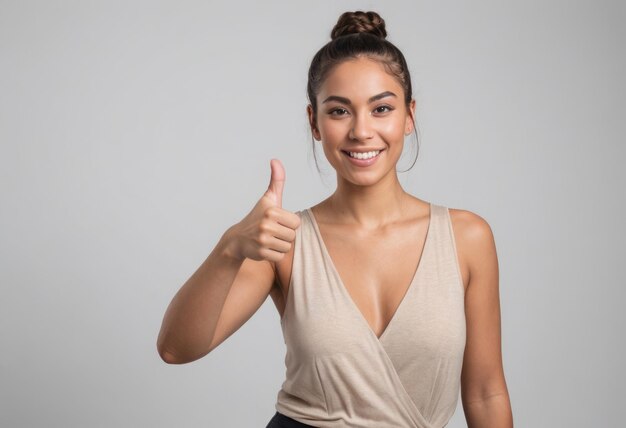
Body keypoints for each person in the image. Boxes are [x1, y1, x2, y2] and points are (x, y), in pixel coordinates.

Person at [157, 10, 513, 428]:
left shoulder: (467, 237)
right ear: (314, 122)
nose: (362, 131)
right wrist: (229, 247)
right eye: (339, 111)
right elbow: (176, 349)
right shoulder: (284, 241)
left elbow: (486, 392)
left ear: (409, 116)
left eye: (381, 108)